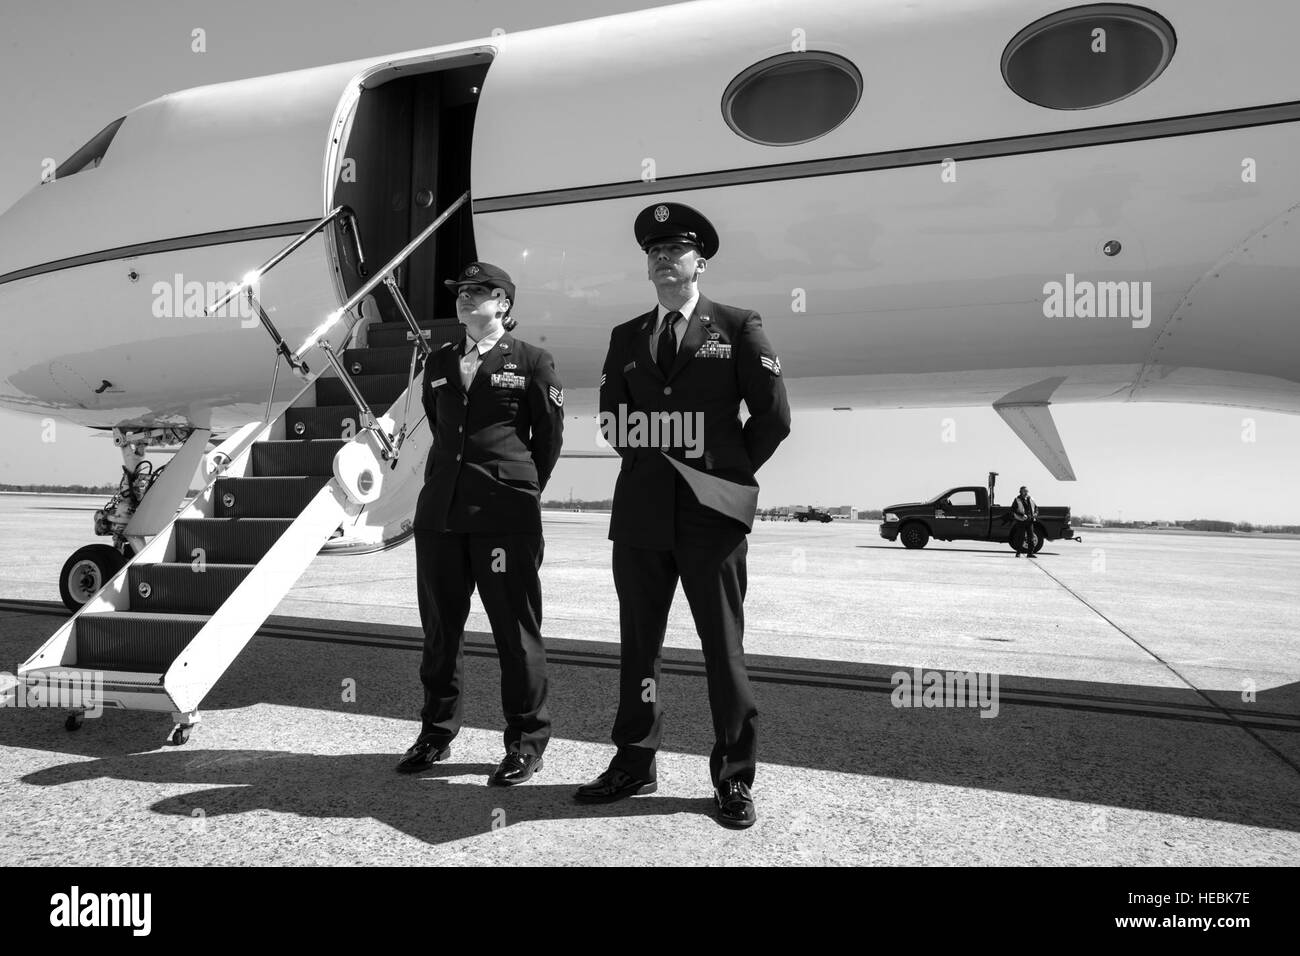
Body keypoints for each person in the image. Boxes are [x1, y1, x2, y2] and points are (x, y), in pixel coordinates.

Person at [574, 202, 791, 828]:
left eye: (676, 249)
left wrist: (723, 474)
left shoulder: (737, 325)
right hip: (642, 515)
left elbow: (772, 417)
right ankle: (634, 762)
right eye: (654, 251)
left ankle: (733, 777)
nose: (663, 258)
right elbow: (616, 418)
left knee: (722, 650)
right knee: (638, 648)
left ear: (701, 261)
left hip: (712, 515)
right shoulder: (626, 336)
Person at [397, 261, 564, 786]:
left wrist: (518, 490)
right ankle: (436, 733)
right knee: (441, 632)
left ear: (504, 303)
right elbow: (442, 422)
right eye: (460, 292)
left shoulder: (534, 361)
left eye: (478, 292)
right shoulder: (441, 359)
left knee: (514, 632)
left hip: (504, 517)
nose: (466, 299)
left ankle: (525, 743)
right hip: (441, 515)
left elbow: (548, 439)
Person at [1012, 485, 1039, 558]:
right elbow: (1013, 509)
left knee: (1031, 538)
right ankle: (1018, 553)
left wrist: (1035, 514)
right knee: (1020, 537)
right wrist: (1021, 515)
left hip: (1030, 521)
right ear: (1020, 492)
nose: (1026, 492)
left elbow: (1036, 508)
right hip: (1021, 521)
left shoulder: (1031, 499)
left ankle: (1030, 553)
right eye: (1024, 491)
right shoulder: (1017, 499)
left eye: (1027, 491)